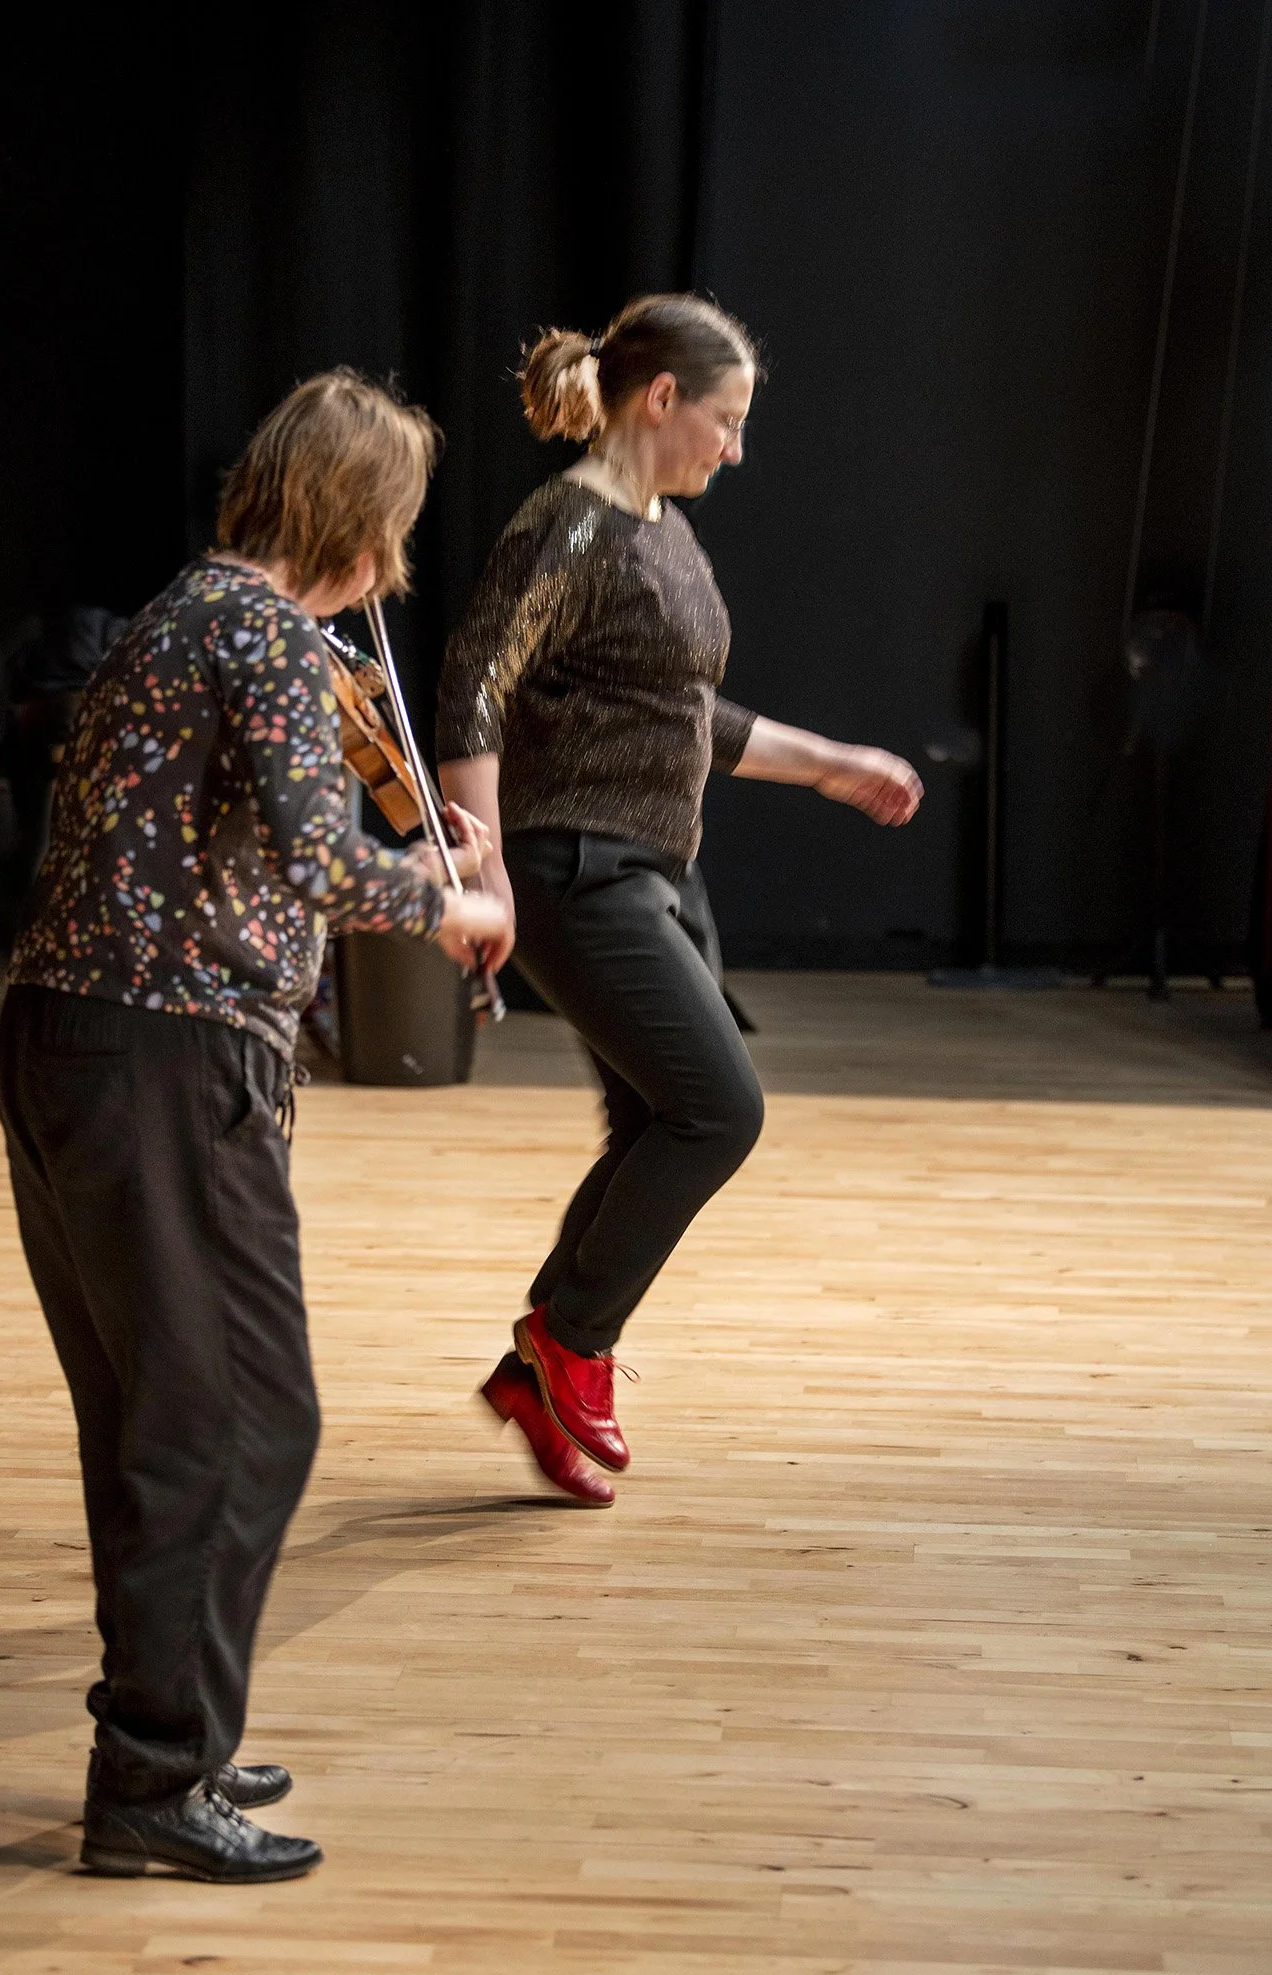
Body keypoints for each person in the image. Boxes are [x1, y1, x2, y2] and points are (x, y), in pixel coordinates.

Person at [0, 368, 507, 1883]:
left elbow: (239, 828)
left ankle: (175, 1728)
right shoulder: (272, 638)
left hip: (66, 1043)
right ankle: (154, 1777)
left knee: (151, 1415)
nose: (395, 562)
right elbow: (317, 863)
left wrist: (388, 838)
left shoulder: (179, 614)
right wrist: (452, 902)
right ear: (363, 517)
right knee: (243, 1420)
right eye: (397, 524)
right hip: (166, 1055)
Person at [438, 294, 922, 1507]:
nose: (736, 448)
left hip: (651, 866)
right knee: (716, 1109)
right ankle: (570, 1342)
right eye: (727, 419)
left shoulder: (659, 530)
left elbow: (681, 712)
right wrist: (482, 865)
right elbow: (472, 684)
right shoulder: (569, 524)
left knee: (658, 1118)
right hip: (572, 866)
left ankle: (539, 1369)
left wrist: (830, 764)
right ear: (662, 399)